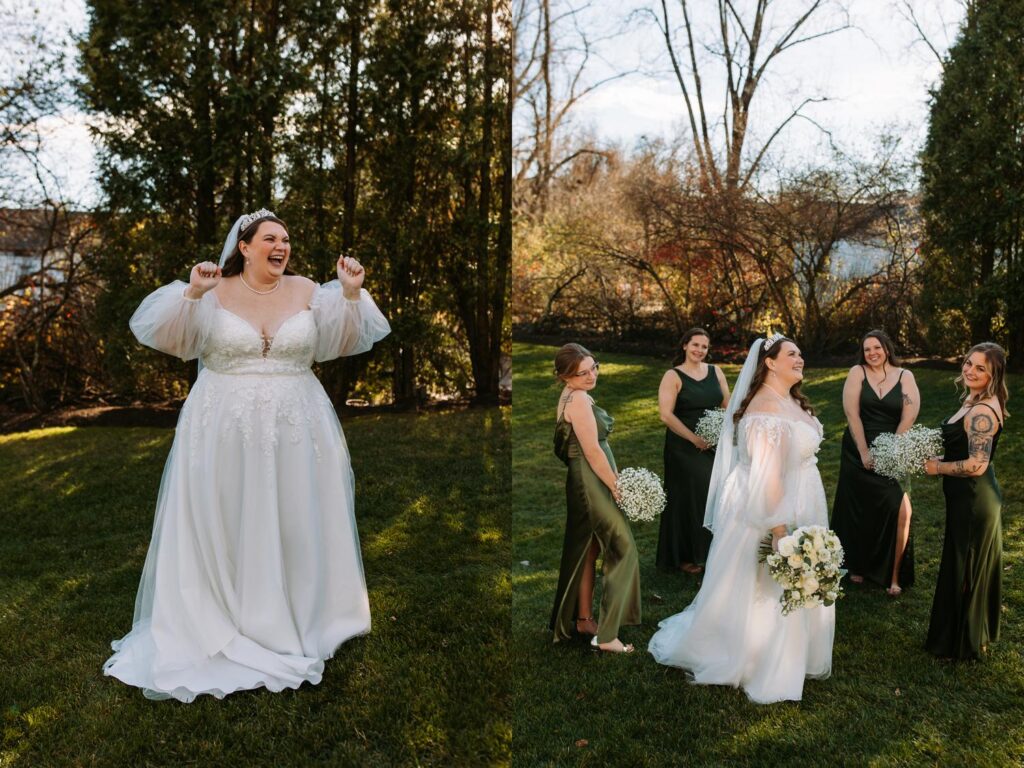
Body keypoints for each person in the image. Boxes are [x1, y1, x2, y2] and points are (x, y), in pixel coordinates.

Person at [103, 209, 391, 701]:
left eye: (287, 239)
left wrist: (349, 293)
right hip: (221, 426)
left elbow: (341, 342)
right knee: (226, 516)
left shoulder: (307, 292)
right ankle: (221, 615)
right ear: (245, 246)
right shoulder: (211, 290)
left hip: (298, 425)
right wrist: (192, 293)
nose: (282, 247)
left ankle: (304, 613)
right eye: (271, 239)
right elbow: (172, 339)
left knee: (297, 520)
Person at [648, 335, 834, 703]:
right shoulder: (765, 409)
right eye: (793, 354)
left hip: (802, 498)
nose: (801, 359)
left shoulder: (790, 399)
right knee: (766, 582)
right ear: (770, 362)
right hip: (767, 508)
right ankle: (760, 656)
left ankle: (793, 649)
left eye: (801, 353)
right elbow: (768, 478)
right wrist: (781, 531)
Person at [550, 343, 641, 654]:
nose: (592, 376)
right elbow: (592, 451)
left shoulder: (572, 394)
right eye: (582, 373)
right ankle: (607, 637)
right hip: (591, 479)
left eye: (593, 368)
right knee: (623, 546)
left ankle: (583, 619)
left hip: (587, 477)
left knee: (588, 550)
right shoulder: (576, 399)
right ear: (565, 377)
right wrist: (617, 487)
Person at [924, 342, 1007, 660]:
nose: (970, 370)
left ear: (993, 375)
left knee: (965, 565)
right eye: (969, 364)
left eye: (980, 368)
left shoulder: (983, 411)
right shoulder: (973, 400)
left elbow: (976, 465)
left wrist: (937, 467)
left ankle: (961, 643)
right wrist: (943, 456)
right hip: (964, 497)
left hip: (974, 499)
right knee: (962, 562)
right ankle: (962, 634)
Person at [831, 330, 920, 595]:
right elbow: (852, 414)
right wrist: (864, 451)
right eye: (867, 349)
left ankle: (892, 574)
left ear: (887, 348)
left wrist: (891, 449)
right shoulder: (857, 372)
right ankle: (857, 565)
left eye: (876, 348)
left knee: (896, 505)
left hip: (891, 448)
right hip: (857, 449)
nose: (872, 353)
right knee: (858, 506)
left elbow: (909, 415)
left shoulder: (905, 376)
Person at [655, 328, 731, 574]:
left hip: (712, 442)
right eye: (695, 345)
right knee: (689, 496)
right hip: (683, 446)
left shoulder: (715, 371)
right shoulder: (673, 375)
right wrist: (694, 439)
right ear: (685, 346)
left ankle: (711, 551)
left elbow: (726, 404)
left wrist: (719, 430)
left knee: (715, 492)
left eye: (704, 347)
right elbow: (665, 415)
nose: (699, 350)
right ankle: (685, 556)